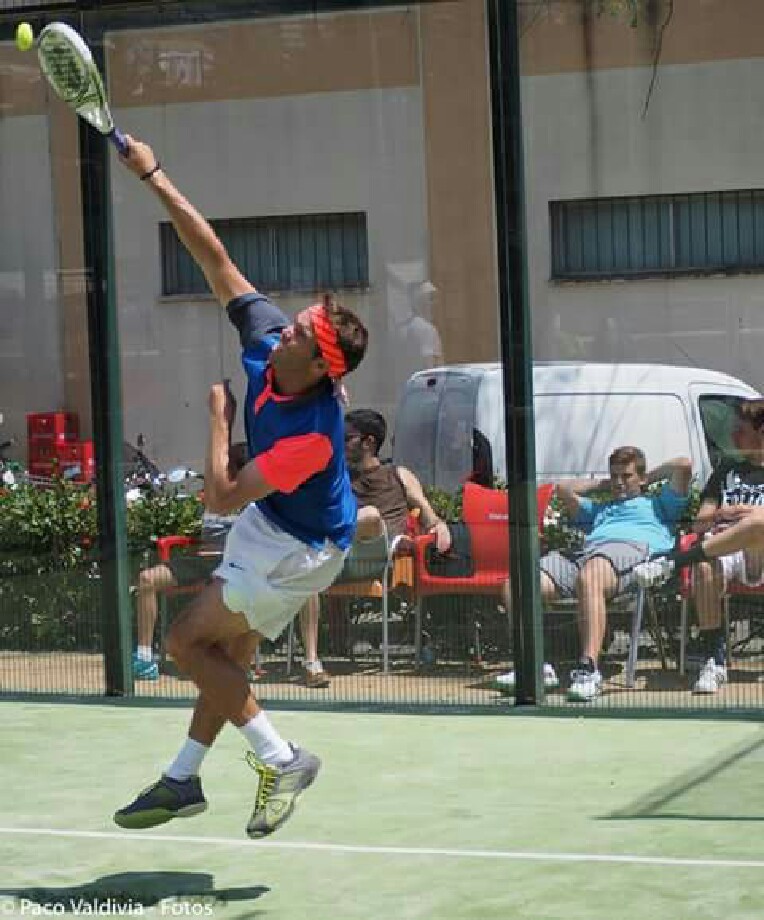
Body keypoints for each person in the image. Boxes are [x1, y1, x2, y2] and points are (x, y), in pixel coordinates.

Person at [113, 134, 368, 838]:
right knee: (224, 656)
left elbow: (221, 498)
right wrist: (153, 175)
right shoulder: (267, 343)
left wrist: (219, 419)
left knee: (185, 644)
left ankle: (282, 759)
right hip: (275, 526)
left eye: (298, 336)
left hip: (302, 548)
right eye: (293, 324)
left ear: (321, 368)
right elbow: (215, 258)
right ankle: (182, 778)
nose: (283, 331)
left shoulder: (309, 436)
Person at [523, 447, 692, 702]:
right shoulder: (600, 510)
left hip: (632, 552)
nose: (619, 482)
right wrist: (605, 484)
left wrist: (646, 479)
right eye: (614, 476)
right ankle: (534, 667)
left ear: (641, 477)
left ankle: (588, 670)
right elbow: (563, 489)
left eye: (626, 476)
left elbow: (683, 464)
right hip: (587, 554)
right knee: (521, 583)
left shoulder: (659, 505)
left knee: (590, 576)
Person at [635, 398, 764, 693]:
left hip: (761, 551)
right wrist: (721, 513)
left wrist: (748, 513)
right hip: (724, 547)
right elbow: (700, 523)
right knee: (704, 568)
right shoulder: (726, 471)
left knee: (758, 523)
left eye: (741, 430)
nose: (733, 436)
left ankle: (672, 562)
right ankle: (714, 660)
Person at [131, 442, 247, 681]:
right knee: (146, 579)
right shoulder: (213, 494)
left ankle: (227, 660)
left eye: (227, 467)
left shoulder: (256, 500)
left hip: (232, 567)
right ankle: (144, 658)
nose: (221, 471)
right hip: (200, 562)